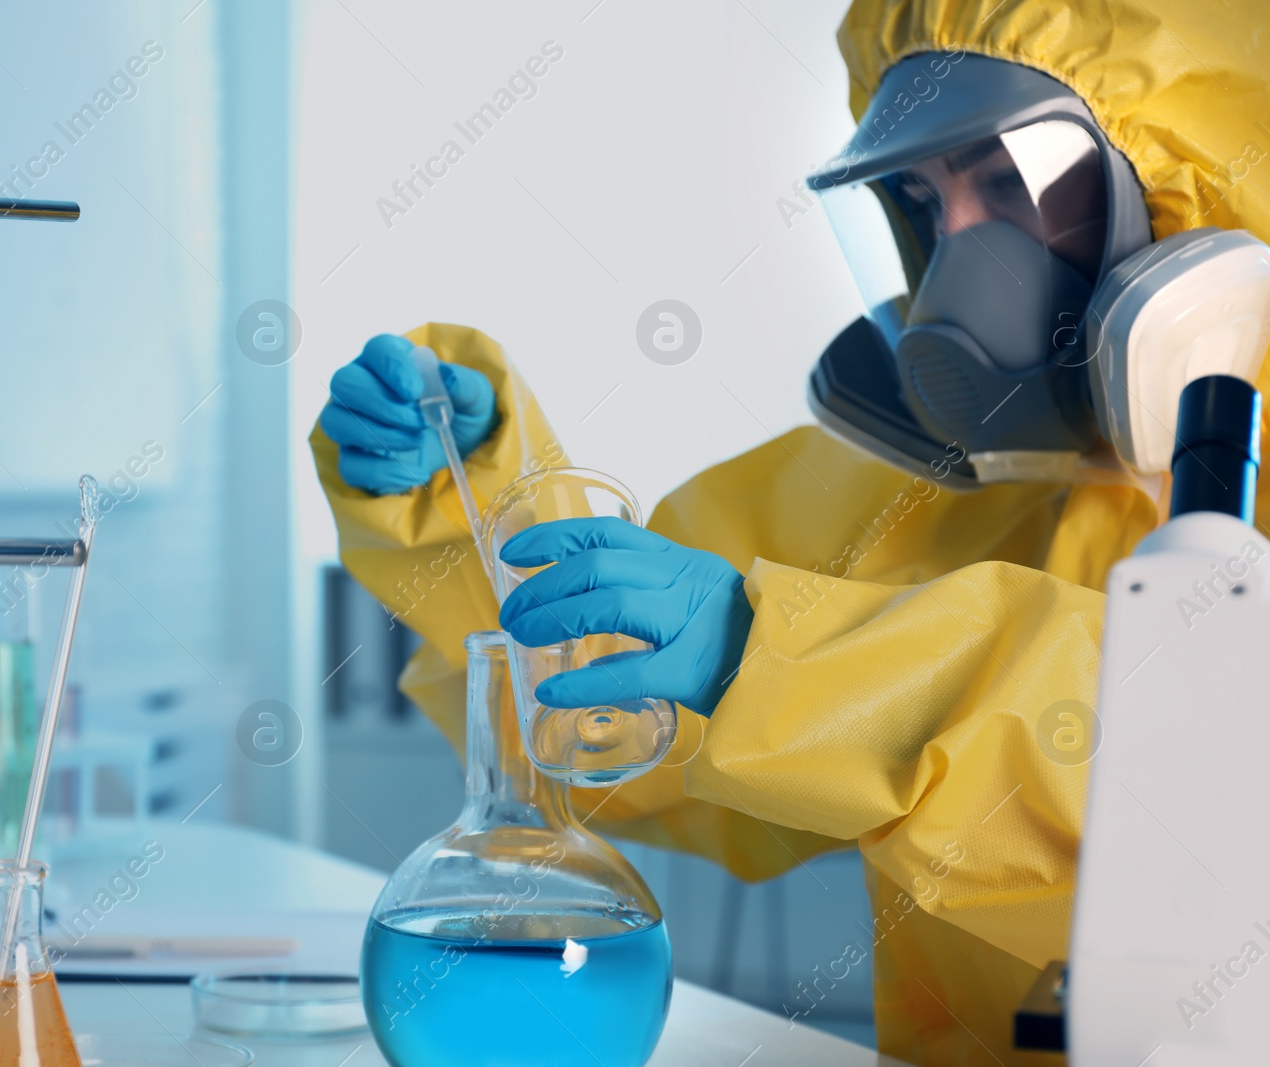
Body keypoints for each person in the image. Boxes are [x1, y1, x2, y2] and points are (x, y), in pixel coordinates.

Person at [311, 1, 1270, 1063]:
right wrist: (464, 496)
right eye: (920, 197)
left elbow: (1213, 788)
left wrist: (785, 660)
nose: (958, 255)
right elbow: (607, 725)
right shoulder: (917, 493)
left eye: (1005, 185)